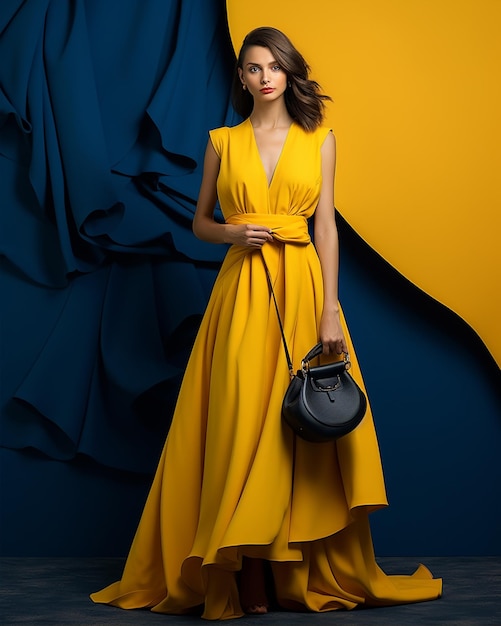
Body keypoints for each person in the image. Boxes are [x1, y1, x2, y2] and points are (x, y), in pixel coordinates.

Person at [91, 26, 442, 619]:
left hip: (305, 290)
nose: (265, 77)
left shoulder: (320, 138)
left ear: (289, 72)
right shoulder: (222, 142)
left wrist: (331, 307)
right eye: (253, 68)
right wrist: (232, 231)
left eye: (274, 66)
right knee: (237, 424)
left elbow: (326, 226)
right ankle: (241, 573)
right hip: (242, 290)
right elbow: (201, 222)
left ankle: (289, 572)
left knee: (298, 431)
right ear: (243, 79)